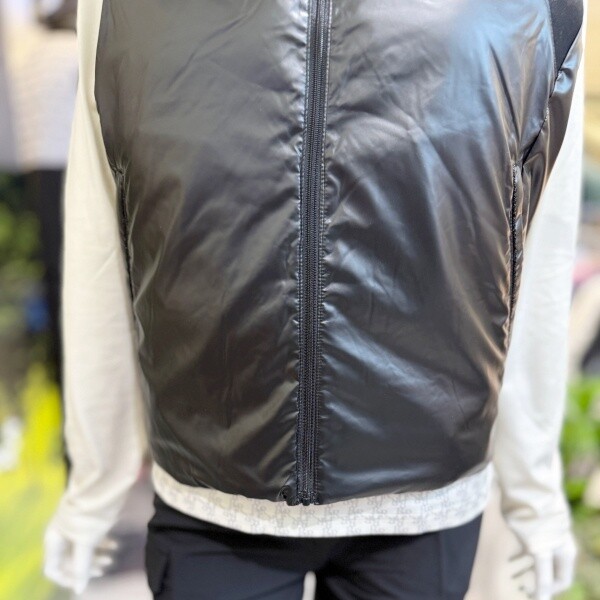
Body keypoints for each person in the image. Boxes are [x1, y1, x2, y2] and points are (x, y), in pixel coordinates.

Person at [43, 0, 587, 598]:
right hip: (211, 498)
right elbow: (104, 235)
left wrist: (535, 489)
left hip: (421, 508)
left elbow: (533, 248)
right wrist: (94, 480)